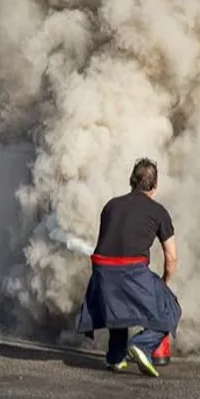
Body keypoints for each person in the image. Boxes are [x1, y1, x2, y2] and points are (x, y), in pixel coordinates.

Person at [75, 158, 181, 378]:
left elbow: (108, 244)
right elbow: (171, 258)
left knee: (118, 305)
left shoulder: (111, 205)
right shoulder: (158, 211)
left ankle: (115, 357)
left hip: (102, 271)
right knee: (170, 307)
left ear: (131, 181)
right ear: (155, 185)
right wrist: (163, 285)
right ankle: (142, 345)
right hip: (131, 270)